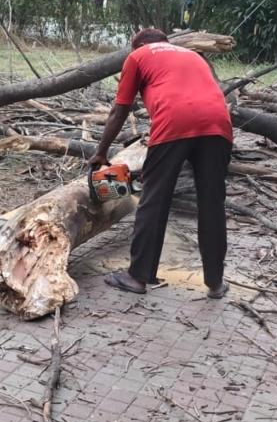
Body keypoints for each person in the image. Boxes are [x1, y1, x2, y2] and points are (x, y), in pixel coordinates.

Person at [87, 28, 233, 299]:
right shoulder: (193, 55)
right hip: (218, 124)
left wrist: (101, 152)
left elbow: (120, 110)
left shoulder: (138, 56)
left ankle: (138, 276)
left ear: (137, 46)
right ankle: (215, 282)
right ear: (165, 42)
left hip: (174, 123)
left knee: (154, 199)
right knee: (212, 203)